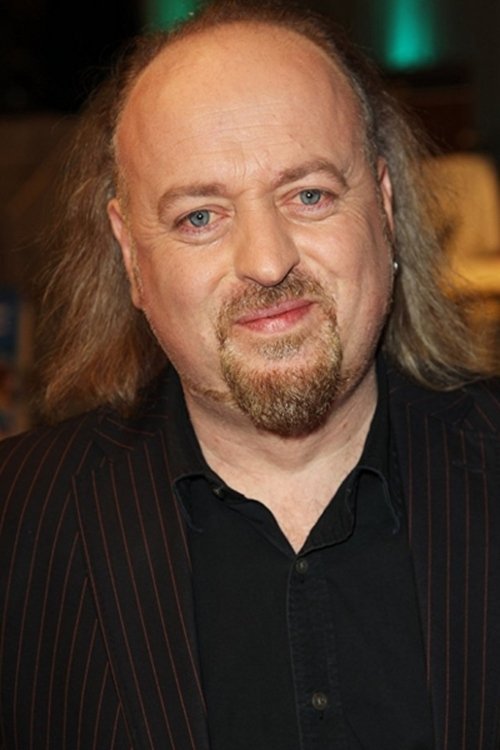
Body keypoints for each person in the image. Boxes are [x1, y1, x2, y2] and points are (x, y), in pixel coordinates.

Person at [1, 1, 499, 748]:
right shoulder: (16, 522)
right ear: (131, 257)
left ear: (386, 208)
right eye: (200, 216)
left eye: (309, 195)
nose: (267, 262)